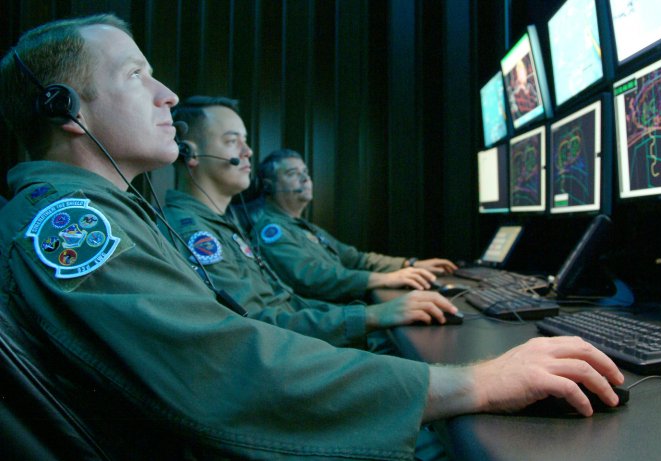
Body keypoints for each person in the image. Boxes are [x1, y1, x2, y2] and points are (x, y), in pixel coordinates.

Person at [0, 14, 623, 459]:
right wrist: (476, 383)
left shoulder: (113, 211)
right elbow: (222, 366)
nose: (169, 95)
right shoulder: (73, 226)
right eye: (139, 75)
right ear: (65, 109)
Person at [164, 95, 460, 352]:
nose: (248, 151)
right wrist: (371, 315)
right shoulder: (195, 233)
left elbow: (290, 301)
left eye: (246, 141)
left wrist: (378, 304)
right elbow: (256, 323)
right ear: (190, 153)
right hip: (284, 358)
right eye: (232, 141)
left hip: (301, 340)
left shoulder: (223, 224)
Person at [251, 149, 459, 302]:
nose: (305, 178)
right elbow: (312, 278)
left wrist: (410, 264)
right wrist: (384, 279)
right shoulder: (272, 231)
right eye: (292, 174)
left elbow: (356, 258)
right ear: (269, 186)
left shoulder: (305, 227)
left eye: (305, 171)